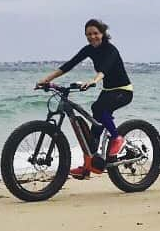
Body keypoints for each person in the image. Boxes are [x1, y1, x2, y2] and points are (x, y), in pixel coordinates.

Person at [36, 19, 133, 179]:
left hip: (123, 91)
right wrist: (46, 79)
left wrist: (94, 81)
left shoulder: (111, 50)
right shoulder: (89, 50)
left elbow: (105, 69)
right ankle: (88, 167)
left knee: (100, 109)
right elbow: (69, 65)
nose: (92, 37)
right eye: (89, 34)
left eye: (96, 33)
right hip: (108, 91)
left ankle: (117, 138)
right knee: (93, 132)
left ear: (102, 34)